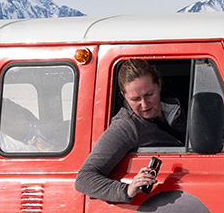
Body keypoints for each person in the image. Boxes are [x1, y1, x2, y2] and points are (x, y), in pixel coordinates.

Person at [75, 60, 185, 202]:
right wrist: (127, 189)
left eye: (149, 94)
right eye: (135, 99)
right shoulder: (126, 126)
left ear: (159, 85)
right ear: (124, 96)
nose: (144, 104)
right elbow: (84, 179)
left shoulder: (176, 107)